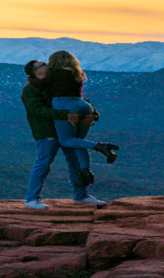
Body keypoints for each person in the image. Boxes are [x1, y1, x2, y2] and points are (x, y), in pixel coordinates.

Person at [21, 59, 106, 209]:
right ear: (36, 71)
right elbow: (37, 110)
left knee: (74, 162)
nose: (47, 64)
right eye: (43, 64)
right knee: (43, 163)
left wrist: (94, 114)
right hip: (47, 130)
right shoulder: (30, 89)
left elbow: (74, 100)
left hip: (66, 128)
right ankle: (32, 200)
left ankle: (80, 196)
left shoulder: (53, 81)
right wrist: (64, 115)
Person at [44, 50, 120, 188]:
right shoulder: (77, 72)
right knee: (79, 142)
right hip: (83, 105)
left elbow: (40, 86)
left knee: (66, 140)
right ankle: (85, 172)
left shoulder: (55, 73)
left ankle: (99, 146)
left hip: (65, 105)